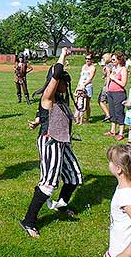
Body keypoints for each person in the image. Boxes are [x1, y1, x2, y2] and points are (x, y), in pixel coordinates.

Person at [19, 48, 83, 238]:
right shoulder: (48, 98)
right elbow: (55, 73)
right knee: (49, 183)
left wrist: (38, 120)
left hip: (63, 143)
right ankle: (28, 221)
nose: (66, 85)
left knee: (73, 177)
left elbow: (46, 116)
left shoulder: (61, 101)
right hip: (50, 142)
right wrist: (63, 54)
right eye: (65, 81)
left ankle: (61, 205)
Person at [104, 52, 128, 141]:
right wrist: (108, 87)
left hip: (119, 93)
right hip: (111, 92)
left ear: (119, 60)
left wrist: (114, 78)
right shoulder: (114, 69)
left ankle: (121, 133)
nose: (112, 61)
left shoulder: (123, 69)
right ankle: (112, 130)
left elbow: (123, 83)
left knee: (119, 112)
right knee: (112, 111)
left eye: (114, 59)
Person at [77, 53, 96, 122]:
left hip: (88, 87)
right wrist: (78, 86)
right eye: (86, 58)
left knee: (87, 103)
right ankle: (78, 117)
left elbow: (90, 78)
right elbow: (81, 77)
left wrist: (84, 85)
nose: (87, 60)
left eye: (89, 59)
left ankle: (87, 119)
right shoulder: (83, 66)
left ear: (92, 60)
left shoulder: (93, 68)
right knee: (79, 102)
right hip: (81, 86)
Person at [98, 53, 112, 122]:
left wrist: (107, 86)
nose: (103, 59)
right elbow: (106, 74)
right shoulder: (111, 65)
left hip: (107, 84)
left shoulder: (108, 66)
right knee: (109, 101)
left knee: (101, 100)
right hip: (111, 84)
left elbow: (109, 75)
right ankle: (111, 114)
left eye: (103, 58)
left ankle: (108, 114)